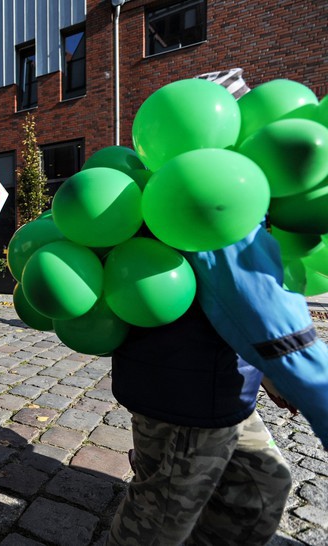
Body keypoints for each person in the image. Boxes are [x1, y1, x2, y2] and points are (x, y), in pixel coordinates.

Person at [107, 71, 328, 545]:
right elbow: (257, 307)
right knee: (160, 517)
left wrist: (265, 373)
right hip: (188, 394)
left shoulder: (173, 183)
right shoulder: (215, 195)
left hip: (205, 382)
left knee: (262, 484)